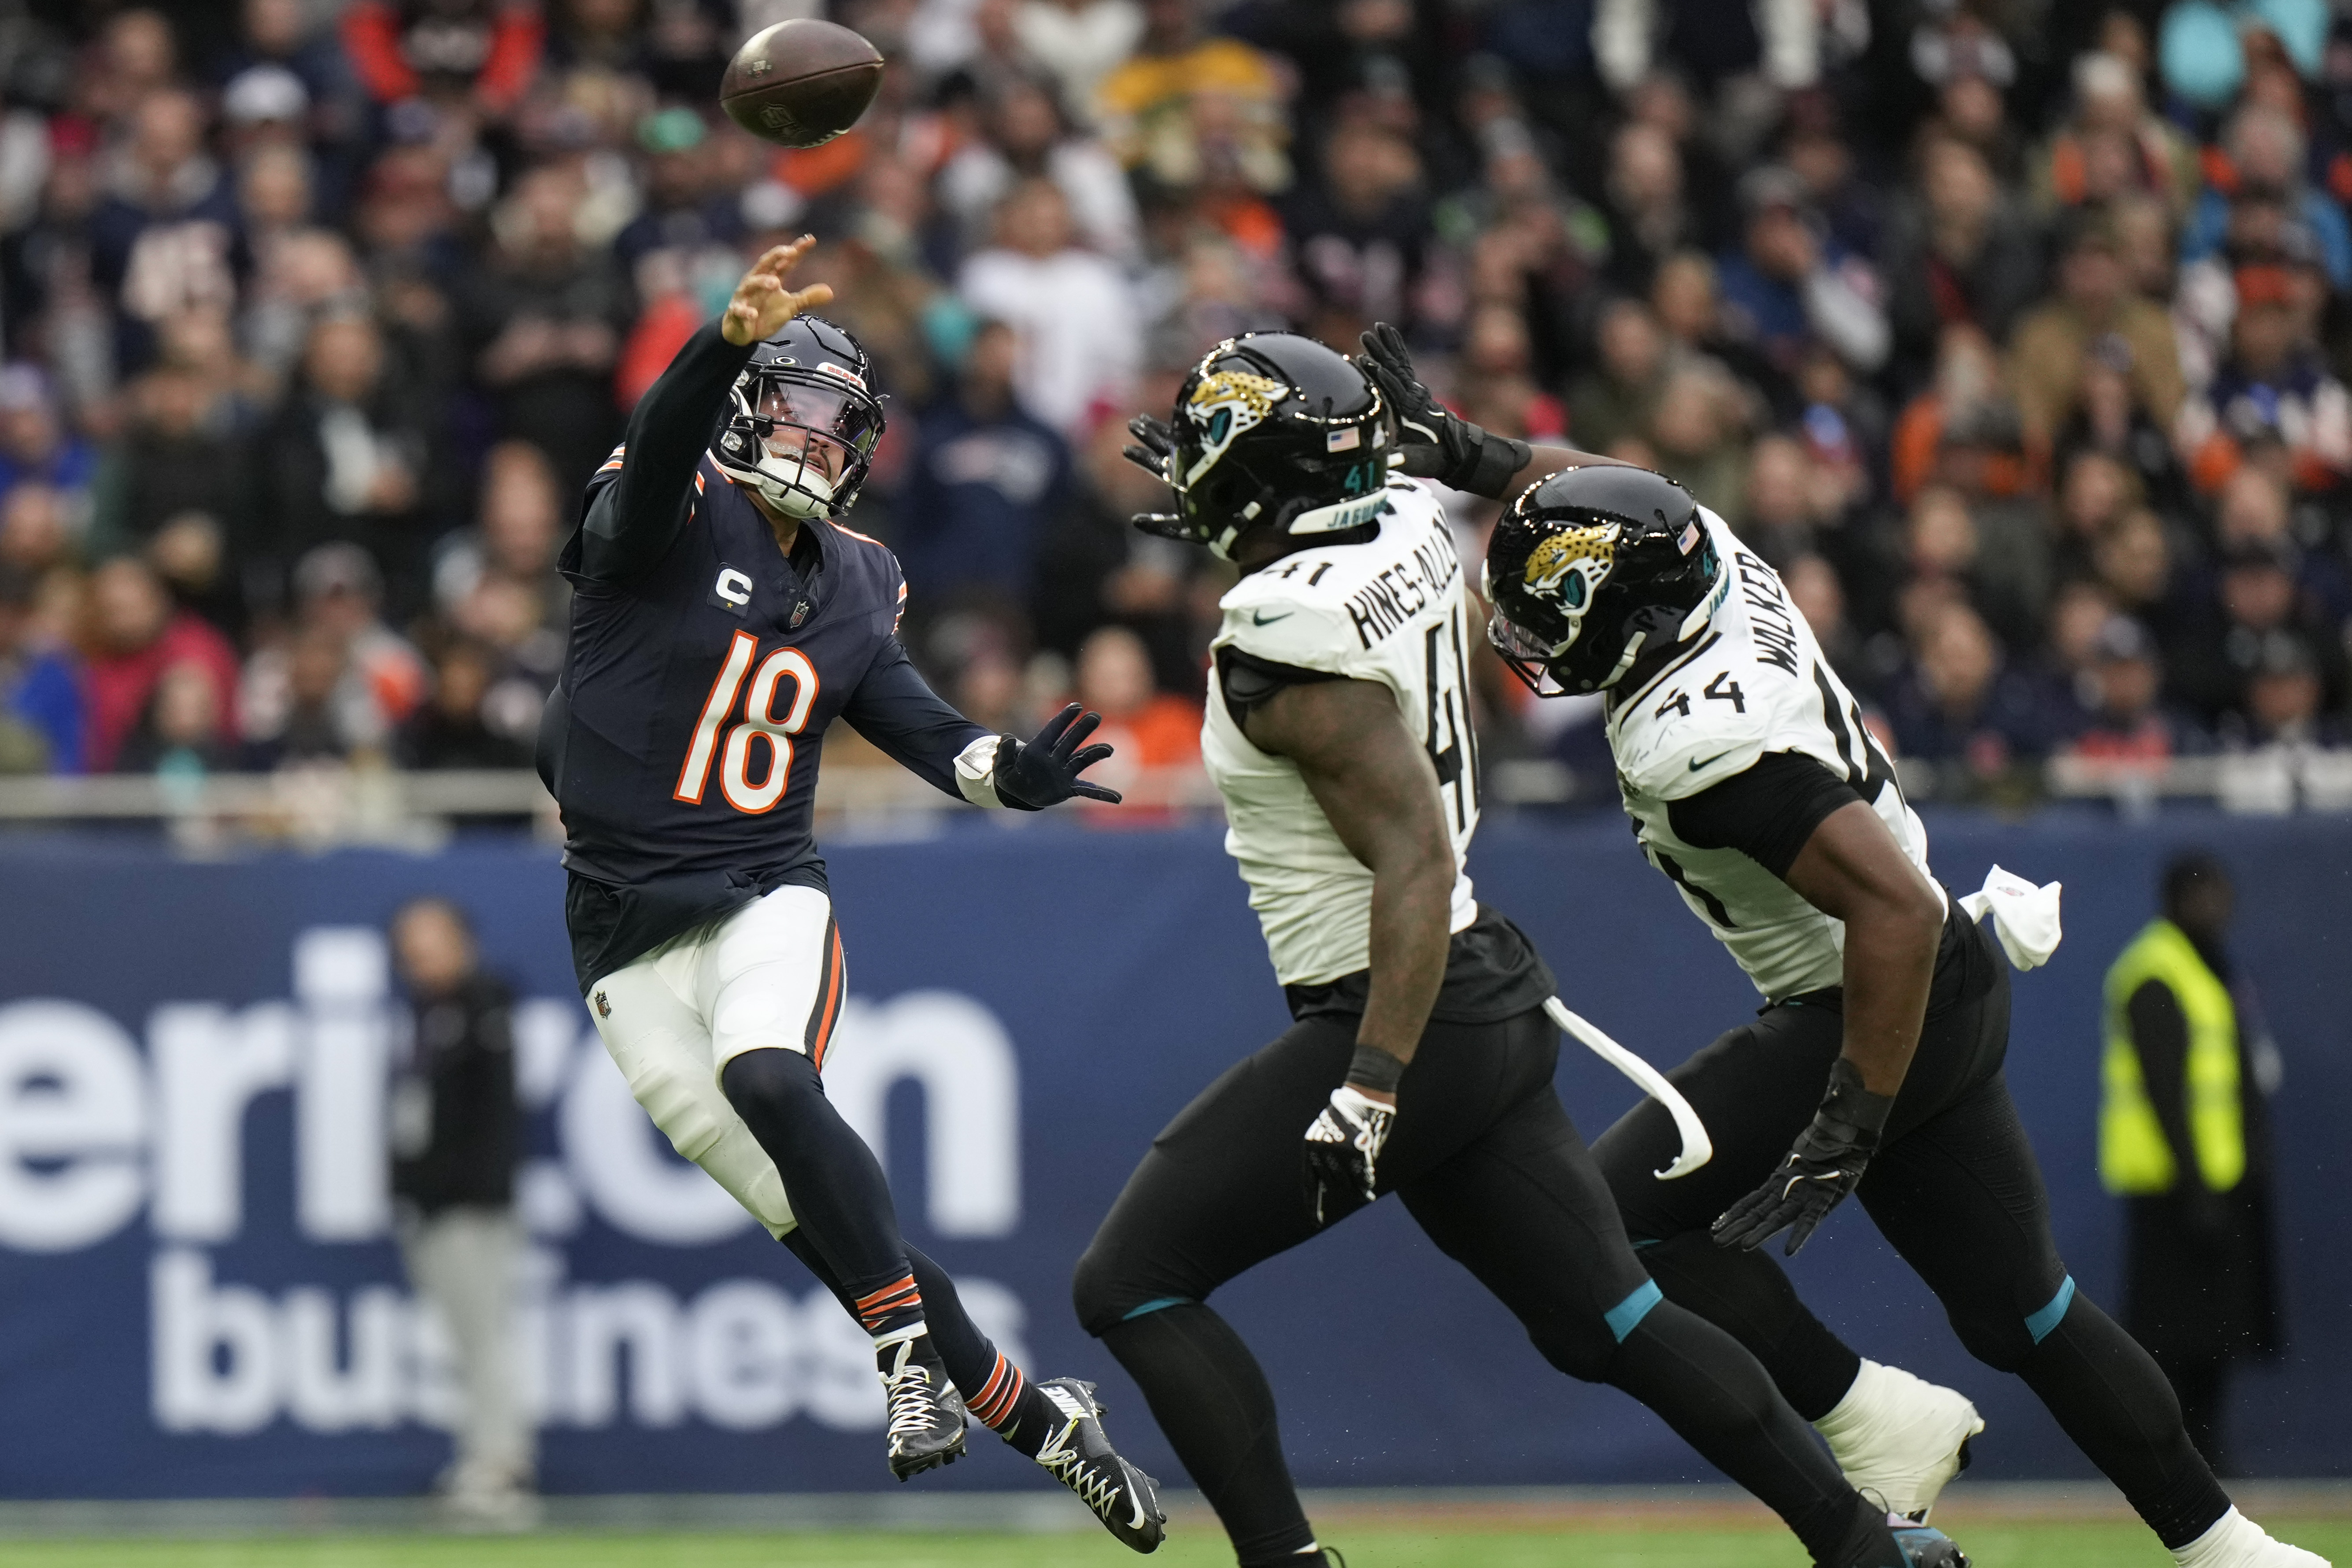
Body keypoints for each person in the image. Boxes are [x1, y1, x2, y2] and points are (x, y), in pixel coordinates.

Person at [1078, 327, 1966, 1568]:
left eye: (1209, 456)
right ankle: (1863, 1549)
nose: (1183, 473)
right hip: (1478, 986)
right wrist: (1432, 459)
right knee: (1610, 1320)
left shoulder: (1277, 638)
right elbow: (1606, 505)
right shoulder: (1399, 521)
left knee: (1130, 1283)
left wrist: (1371, 1084)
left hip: (1400, 1011)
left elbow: (1410, 860)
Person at [1482, 463, 2326, 1568]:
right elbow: (1620, 506)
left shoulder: (1704, 742)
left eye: (1559, 614)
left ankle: (1867, 1415)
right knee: (2026, 1314)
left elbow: (1891, 912)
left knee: (1605, 1228)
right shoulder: (1713, 561)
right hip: (1948, 983)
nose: (1539, 639)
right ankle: (2237, 1553)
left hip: (1875, 999)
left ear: (1631, 611)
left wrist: (1853, 1114)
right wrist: (1468, 452)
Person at [539, 238, 1161, 1545]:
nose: (817, 442)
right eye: (798, 409)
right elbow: (652, 462)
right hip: (623, 938)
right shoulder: (667, 501)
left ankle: (901, 1368)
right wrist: (712, 344)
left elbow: (930, 732)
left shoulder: (858, 579)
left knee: (774, 1081)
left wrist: (1013, 774)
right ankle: (1047, 1423)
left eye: (842, 425)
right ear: (744, 406)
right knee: (828, 1232)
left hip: (764, 887)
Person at [2102, 853, 2283, 1475]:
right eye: (2206, 894)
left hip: (2220, 1182)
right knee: (2171, 1340)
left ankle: (2205, 1458)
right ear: (2176, 898)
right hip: (2173, 1191)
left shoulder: (2213, 969)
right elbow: (2163, 1090)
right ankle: (2165, 1461)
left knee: (2215, 1338)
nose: (2218, 907)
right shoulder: (2156, 971)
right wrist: (2196, 1188)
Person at [387, 897, 534, 1524]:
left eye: (429, 942)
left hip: (470, 1206)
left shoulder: (482, 1004)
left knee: (484, 1336)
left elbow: (492, 1120)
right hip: (434, 1206)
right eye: (408, 947)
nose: (417, 959)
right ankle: (481, 1455)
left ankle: (500, 1466)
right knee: (464, 1340)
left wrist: (469, 1190)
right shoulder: (428, 1013)